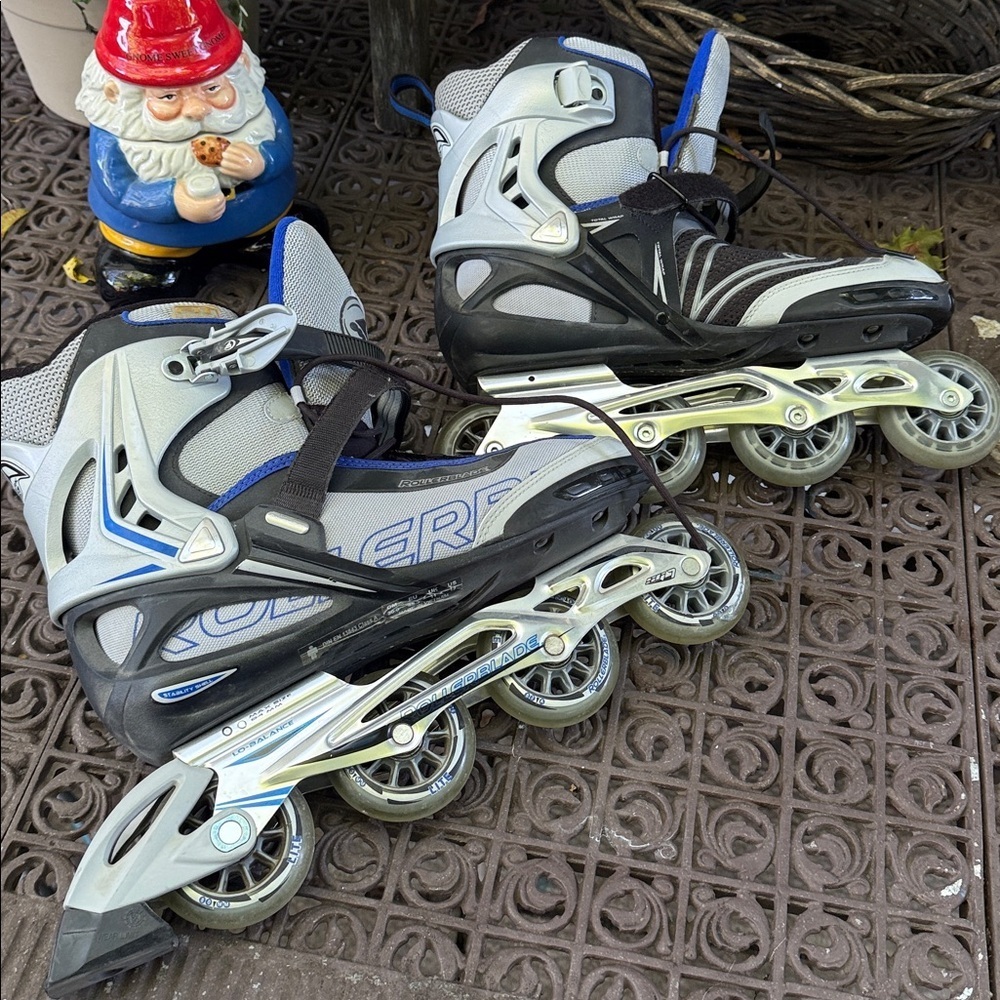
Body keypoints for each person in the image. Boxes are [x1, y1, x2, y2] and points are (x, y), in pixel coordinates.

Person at [76, 0, 323, 305]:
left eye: (211, 89)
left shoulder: (252, 103)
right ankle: (158, 270)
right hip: (160, 236)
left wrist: (262, 161)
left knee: (294, 236)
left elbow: (282, 145)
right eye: (168, 96)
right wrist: (172, 201)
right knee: (137, 281)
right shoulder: (117, 132)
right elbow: (119, 190)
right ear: (116, 94)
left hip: (254, 215)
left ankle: (258, 241)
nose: (195, 110)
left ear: (240, 70)